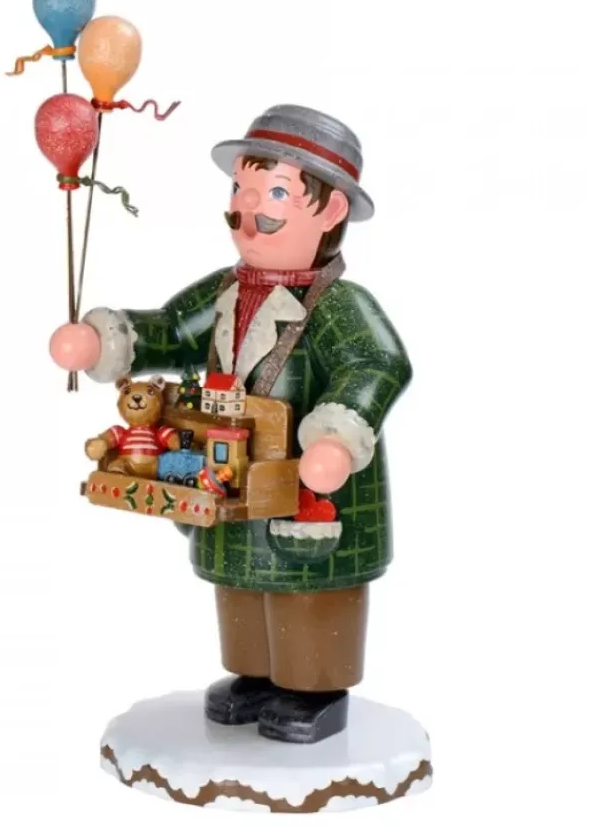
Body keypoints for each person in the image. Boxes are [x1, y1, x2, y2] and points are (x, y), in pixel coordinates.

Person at [50, 104, 412, 744]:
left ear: (330, 211)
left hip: (312, 485)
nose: (248, 208)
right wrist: (106, 341)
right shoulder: (226, 291)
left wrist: (336, 436)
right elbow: (171, 328)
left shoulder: (339, 305)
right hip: (231, 470)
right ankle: (255, 675)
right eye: (242, 189)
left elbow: (376, 362)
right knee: (239, 577)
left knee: (308, 586)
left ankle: (315, 687)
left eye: (275, 193)